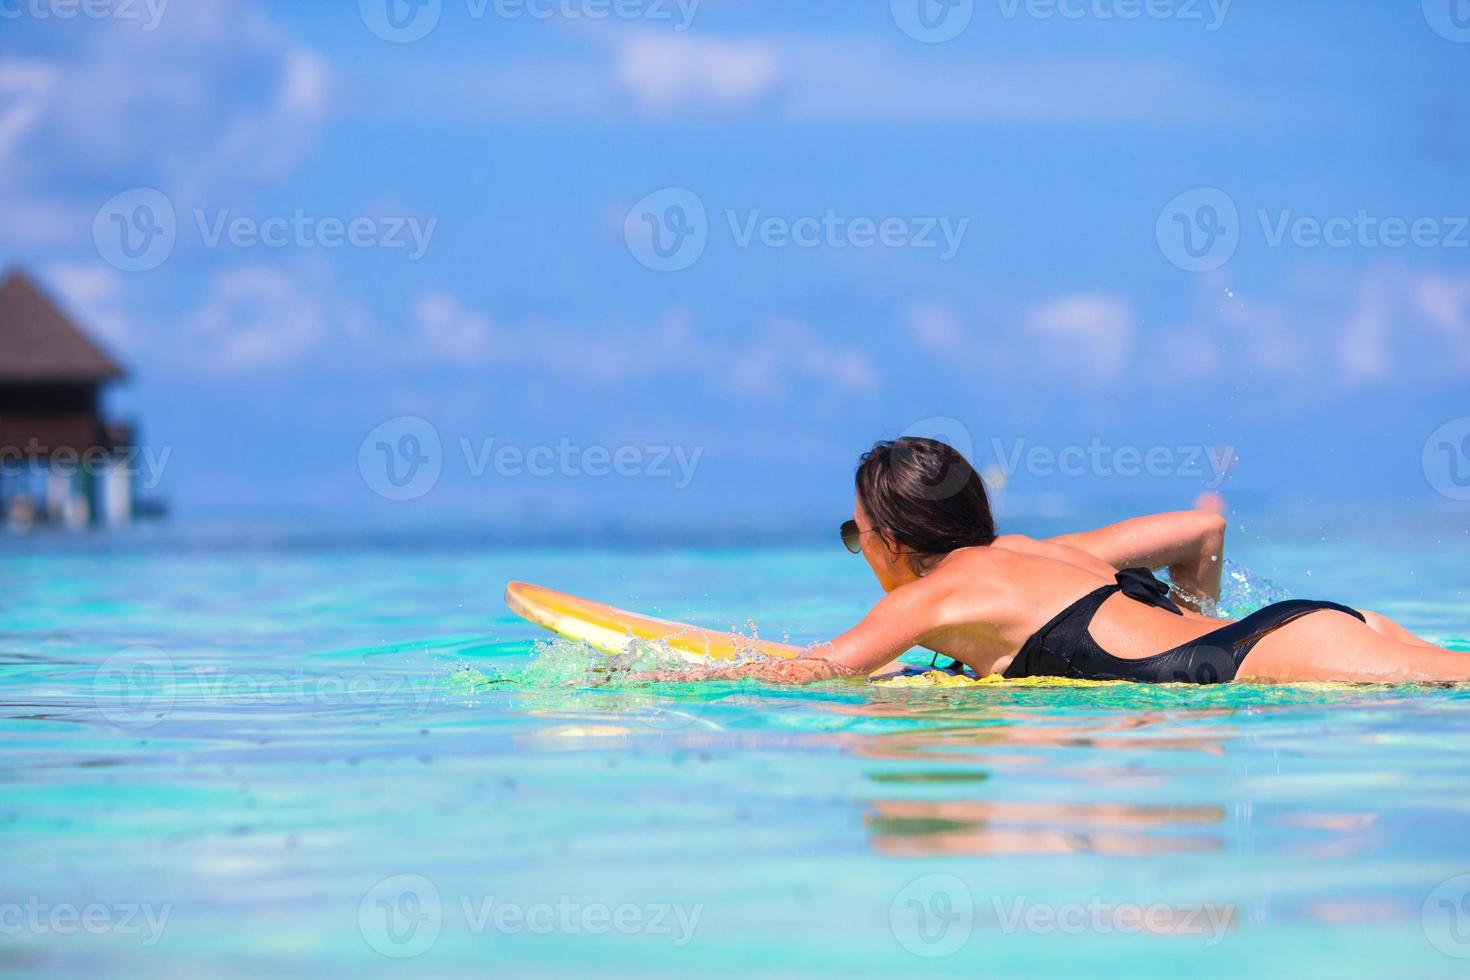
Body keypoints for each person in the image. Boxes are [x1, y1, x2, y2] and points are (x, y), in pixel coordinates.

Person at [644, 437, 1468, 685]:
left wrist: (652, 675)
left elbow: (817, 675)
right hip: (1307, 631)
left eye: (858, 535)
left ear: (894, 538)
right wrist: (1188, 622)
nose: (861, 553)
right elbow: (1199, 532)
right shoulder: (1040, 554)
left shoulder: (929, 598)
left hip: (1288, 661)